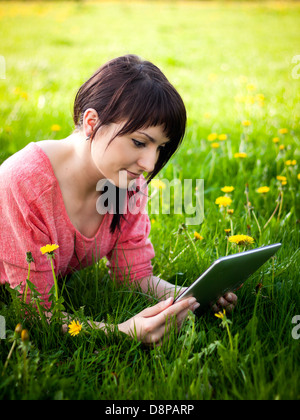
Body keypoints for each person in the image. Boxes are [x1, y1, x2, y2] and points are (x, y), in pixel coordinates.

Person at [0, 55, 237, 345]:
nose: (150, 164)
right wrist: (121, 332)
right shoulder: (25, 182)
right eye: (139, 142)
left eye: (160, 148)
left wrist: (192, 296)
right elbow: (35, 315)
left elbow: (133, 275)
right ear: (91, 122)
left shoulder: (125, 182)